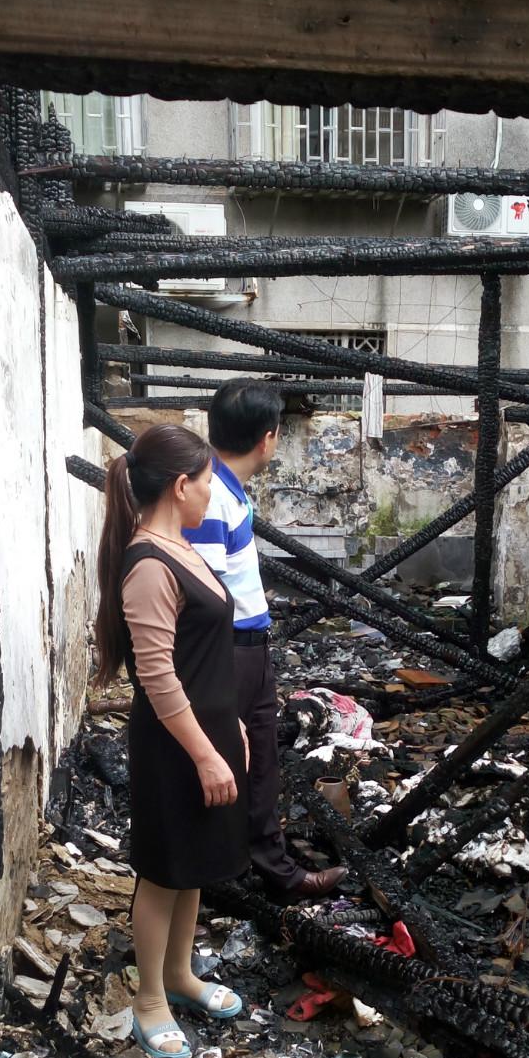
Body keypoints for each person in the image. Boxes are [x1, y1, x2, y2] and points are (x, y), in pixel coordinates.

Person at [93, 423, 250, 1058]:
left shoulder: (181, 548)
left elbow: (204, 655)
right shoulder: (149, 564)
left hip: (207, 731)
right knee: (163, 871)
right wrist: (205, 752)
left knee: (193, 866)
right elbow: (157, 676)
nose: (212, 493)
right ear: (181, 486)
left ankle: (181, 976)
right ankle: (149, 999)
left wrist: (231, 727)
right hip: (173, 743)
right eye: (208, 481)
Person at [184, 379, 346, 900]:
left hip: (247, 647)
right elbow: (203, 595)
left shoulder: (225, 488)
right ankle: (223, 872)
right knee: (231, 758)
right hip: (227, 649)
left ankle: (265, 866)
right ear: (268, 438)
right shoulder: (211, 497)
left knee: (259, 760)